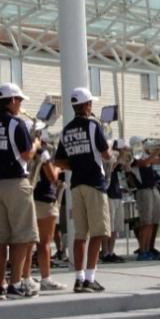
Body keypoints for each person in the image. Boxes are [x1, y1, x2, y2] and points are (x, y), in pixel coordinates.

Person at [0, 83, 41, 300]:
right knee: (22, 236)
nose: (20, 105)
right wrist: (36, 143)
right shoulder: (16, 124)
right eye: (19, 101)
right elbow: (27, 155)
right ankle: (15, 283)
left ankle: (0, 285)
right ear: (12, 100)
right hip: (15, 182)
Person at [54, 87, 112, 293]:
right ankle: (90, 278)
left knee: (80, 234)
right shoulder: (93, 126)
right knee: (98, 232)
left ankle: (78, 279)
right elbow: (105, 154)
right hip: (95, 183)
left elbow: (58, 161)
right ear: (87, 105)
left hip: (76, 184)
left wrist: (76, 165)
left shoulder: (66, 130)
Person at [31, 133, 63, 291]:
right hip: (44, 198)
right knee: (44, 243)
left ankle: (24, 278)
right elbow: (52, 176)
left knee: (27, 242)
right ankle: (45, 278)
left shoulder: (27, 150)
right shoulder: (43, 153)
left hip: (29, 197)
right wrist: (57, 166)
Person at [100, 138, 129, 264]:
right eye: (120, 149)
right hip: (108, 193)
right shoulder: (108, 158)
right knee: (108, 226)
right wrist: (119, 156)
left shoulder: (118, 158)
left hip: (117, 193)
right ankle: (105, 251)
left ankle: (111, 251)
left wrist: (126, 158)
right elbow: (109, 169)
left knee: (115, 226)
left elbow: (127, 168)